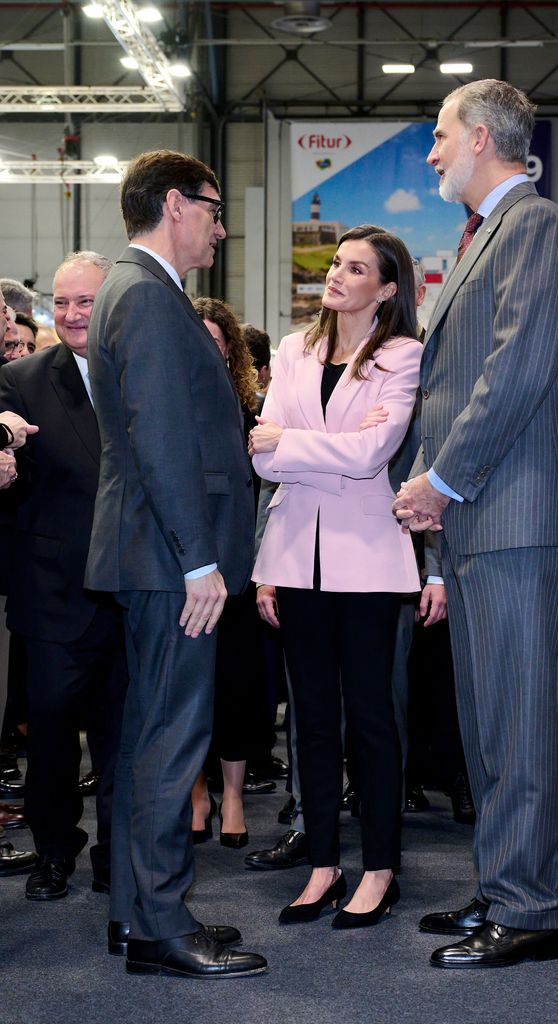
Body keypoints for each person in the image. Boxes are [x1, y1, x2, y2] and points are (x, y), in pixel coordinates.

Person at [393, 79, 558, 969]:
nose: (431, 152)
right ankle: (503, 883)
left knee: (516, 719)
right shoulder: (489, 234)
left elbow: (515, 369)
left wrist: (440, 478)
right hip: (481, 516)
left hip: (508, 508)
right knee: (485, 723)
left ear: (480, 138)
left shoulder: (534, 225)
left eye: (438, 135)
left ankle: (531, 908)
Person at [84, 150, 266, 980]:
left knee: (150, 738)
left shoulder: (138, 291)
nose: (221, 226)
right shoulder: (150, 298)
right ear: (172, 205)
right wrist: (200, 562)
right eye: (213, 208)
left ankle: (139, 912)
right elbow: (161, 442)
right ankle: (157, 924)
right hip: (171, 560)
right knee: (170, 739)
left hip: (157, 553)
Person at [250, 224, 422, 928]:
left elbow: (373, 454)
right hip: (296, 560)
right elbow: (262, 455)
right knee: (313, 723)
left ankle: (380, 869)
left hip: (371, 565)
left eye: (356, 268)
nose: (337, 275)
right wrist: (320, 447)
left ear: (386, 288)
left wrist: (294, 442)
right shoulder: (293, 349)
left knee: (373, 722)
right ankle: (322, 862)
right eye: (336, 263)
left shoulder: (405, 354)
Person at [0, 252, 129, 901]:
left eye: (86, 300)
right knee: (49, 735)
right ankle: (54, 849)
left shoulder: (145, 370)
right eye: (63, 301)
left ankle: (118, 853)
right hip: (53, 593)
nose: (74, 313)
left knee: (123, 736)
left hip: (135, 592)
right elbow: (6, 452)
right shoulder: (22, 379)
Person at [190, 296, 273, 849]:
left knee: (238, 688)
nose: (207, 352)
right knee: (188, 689)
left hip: (241, 570)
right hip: (185, 569)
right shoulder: (165, 406)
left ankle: (235, 795)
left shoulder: (257, 414)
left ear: (232, 352)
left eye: (217, 343)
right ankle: (196, 793)